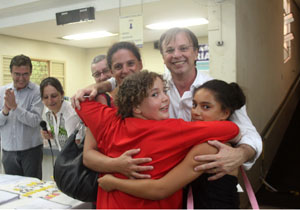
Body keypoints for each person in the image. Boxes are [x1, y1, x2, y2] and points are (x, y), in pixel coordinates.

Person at [76, 70, 240, 209]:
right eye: (155, 94)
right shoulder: (173, 130)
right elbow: (232, 129)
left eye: (164, 92)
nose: (165, 98)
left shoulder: (109, 122)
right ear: (136, 107)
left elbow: (80, 102)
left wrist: (100, 86)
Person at [83, 42, 154, 180]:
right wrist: (117, 164)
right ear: (112, 72)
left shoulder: (156, 99)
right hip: (114, 185)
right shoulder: (103, 104)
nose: (125, 70)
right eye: (118, 67)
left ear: (140, 64)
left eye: (130, 63)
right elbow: (88, 156)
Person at [0, 54, 44, 179]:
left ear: (30, 73)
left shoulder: (37, 92)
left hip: (31, 151)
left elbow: (35, 121)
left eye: (25, 74)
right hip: (8, 151)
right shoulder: (2, 92)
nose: (21, 78)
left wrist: (15, 107)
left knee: (33, 189)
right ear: (11, 73)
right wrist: (5, 110)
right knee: (13, 189)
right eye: (17, 74)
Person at [40, 77, 84, 151]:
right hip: (63, 155)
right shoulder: (48, 111)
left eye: (54, 96)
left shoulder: (71, 114)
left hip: (76, 157)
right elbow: (57, 132)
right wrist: (49, 134)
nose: (50, 101)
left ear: (62, 94)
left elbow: (75, 144)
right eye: (45, 97)